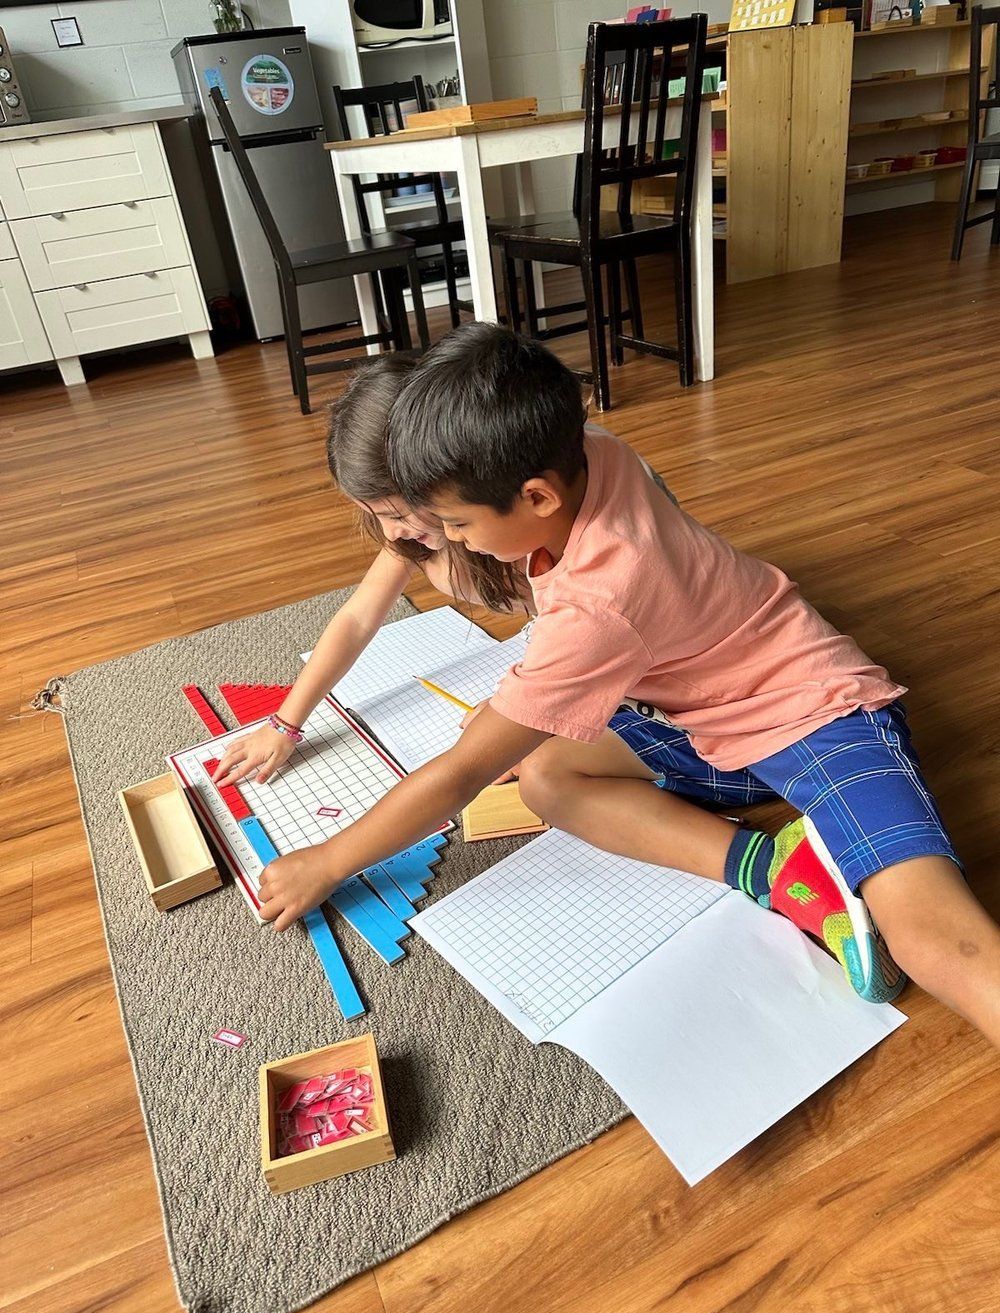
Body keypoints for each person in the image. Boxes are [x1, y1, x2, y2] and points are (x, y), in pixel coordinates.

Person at [255, 324, 1000, 1049]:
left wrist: (328, 861)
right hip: (697, 714)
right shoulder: (587, 450)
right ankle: (776, 870)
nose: (446, 540)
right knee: (548, 772)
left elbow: (461, 774)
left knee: (933, 934)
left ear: (537, 495)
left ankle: (836, 865)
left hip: (816, 708)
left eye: (454, 524)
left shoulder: (596, 606)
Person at [212, 352, 530, 790]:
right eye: (373, 513)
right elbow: (357, 618)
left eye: (394, 511)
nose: (389, 531)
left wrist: (515, 706)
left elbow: (580, 636)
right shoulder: (414, 535)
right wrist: (285, 724)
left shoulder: (517, 531)